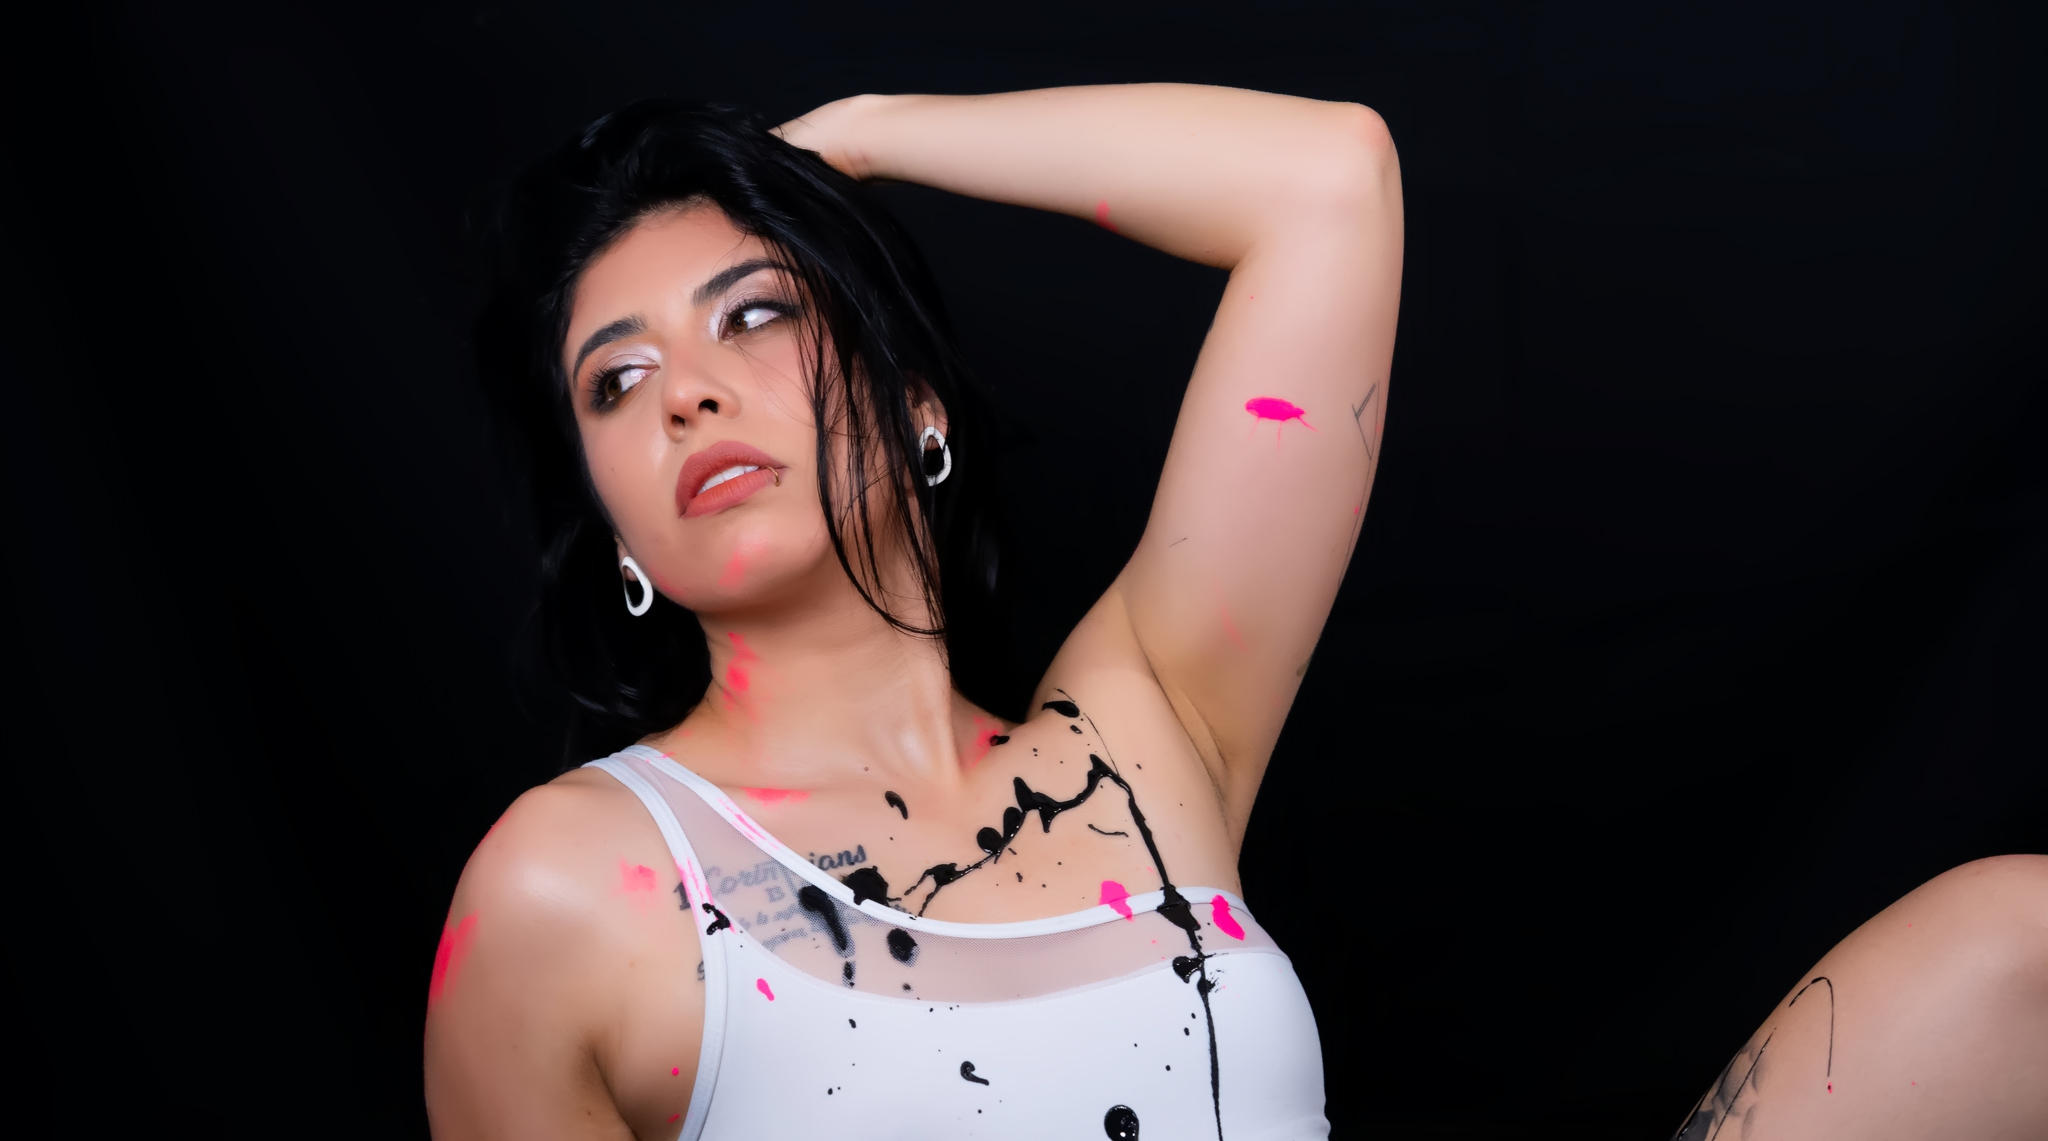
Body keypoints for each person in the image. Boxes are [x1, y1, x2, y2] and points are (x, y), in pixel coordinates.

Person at [422, 84, 2045, 1140]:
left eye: (757, 313)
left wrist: (862, 138)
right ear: (614, 521)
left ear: (918, 405)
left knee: (2014, 944)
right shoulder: (575, 888)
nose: (688, 394)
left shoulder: (1140, 733)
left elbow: (1328, 182)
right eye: (617, 381)